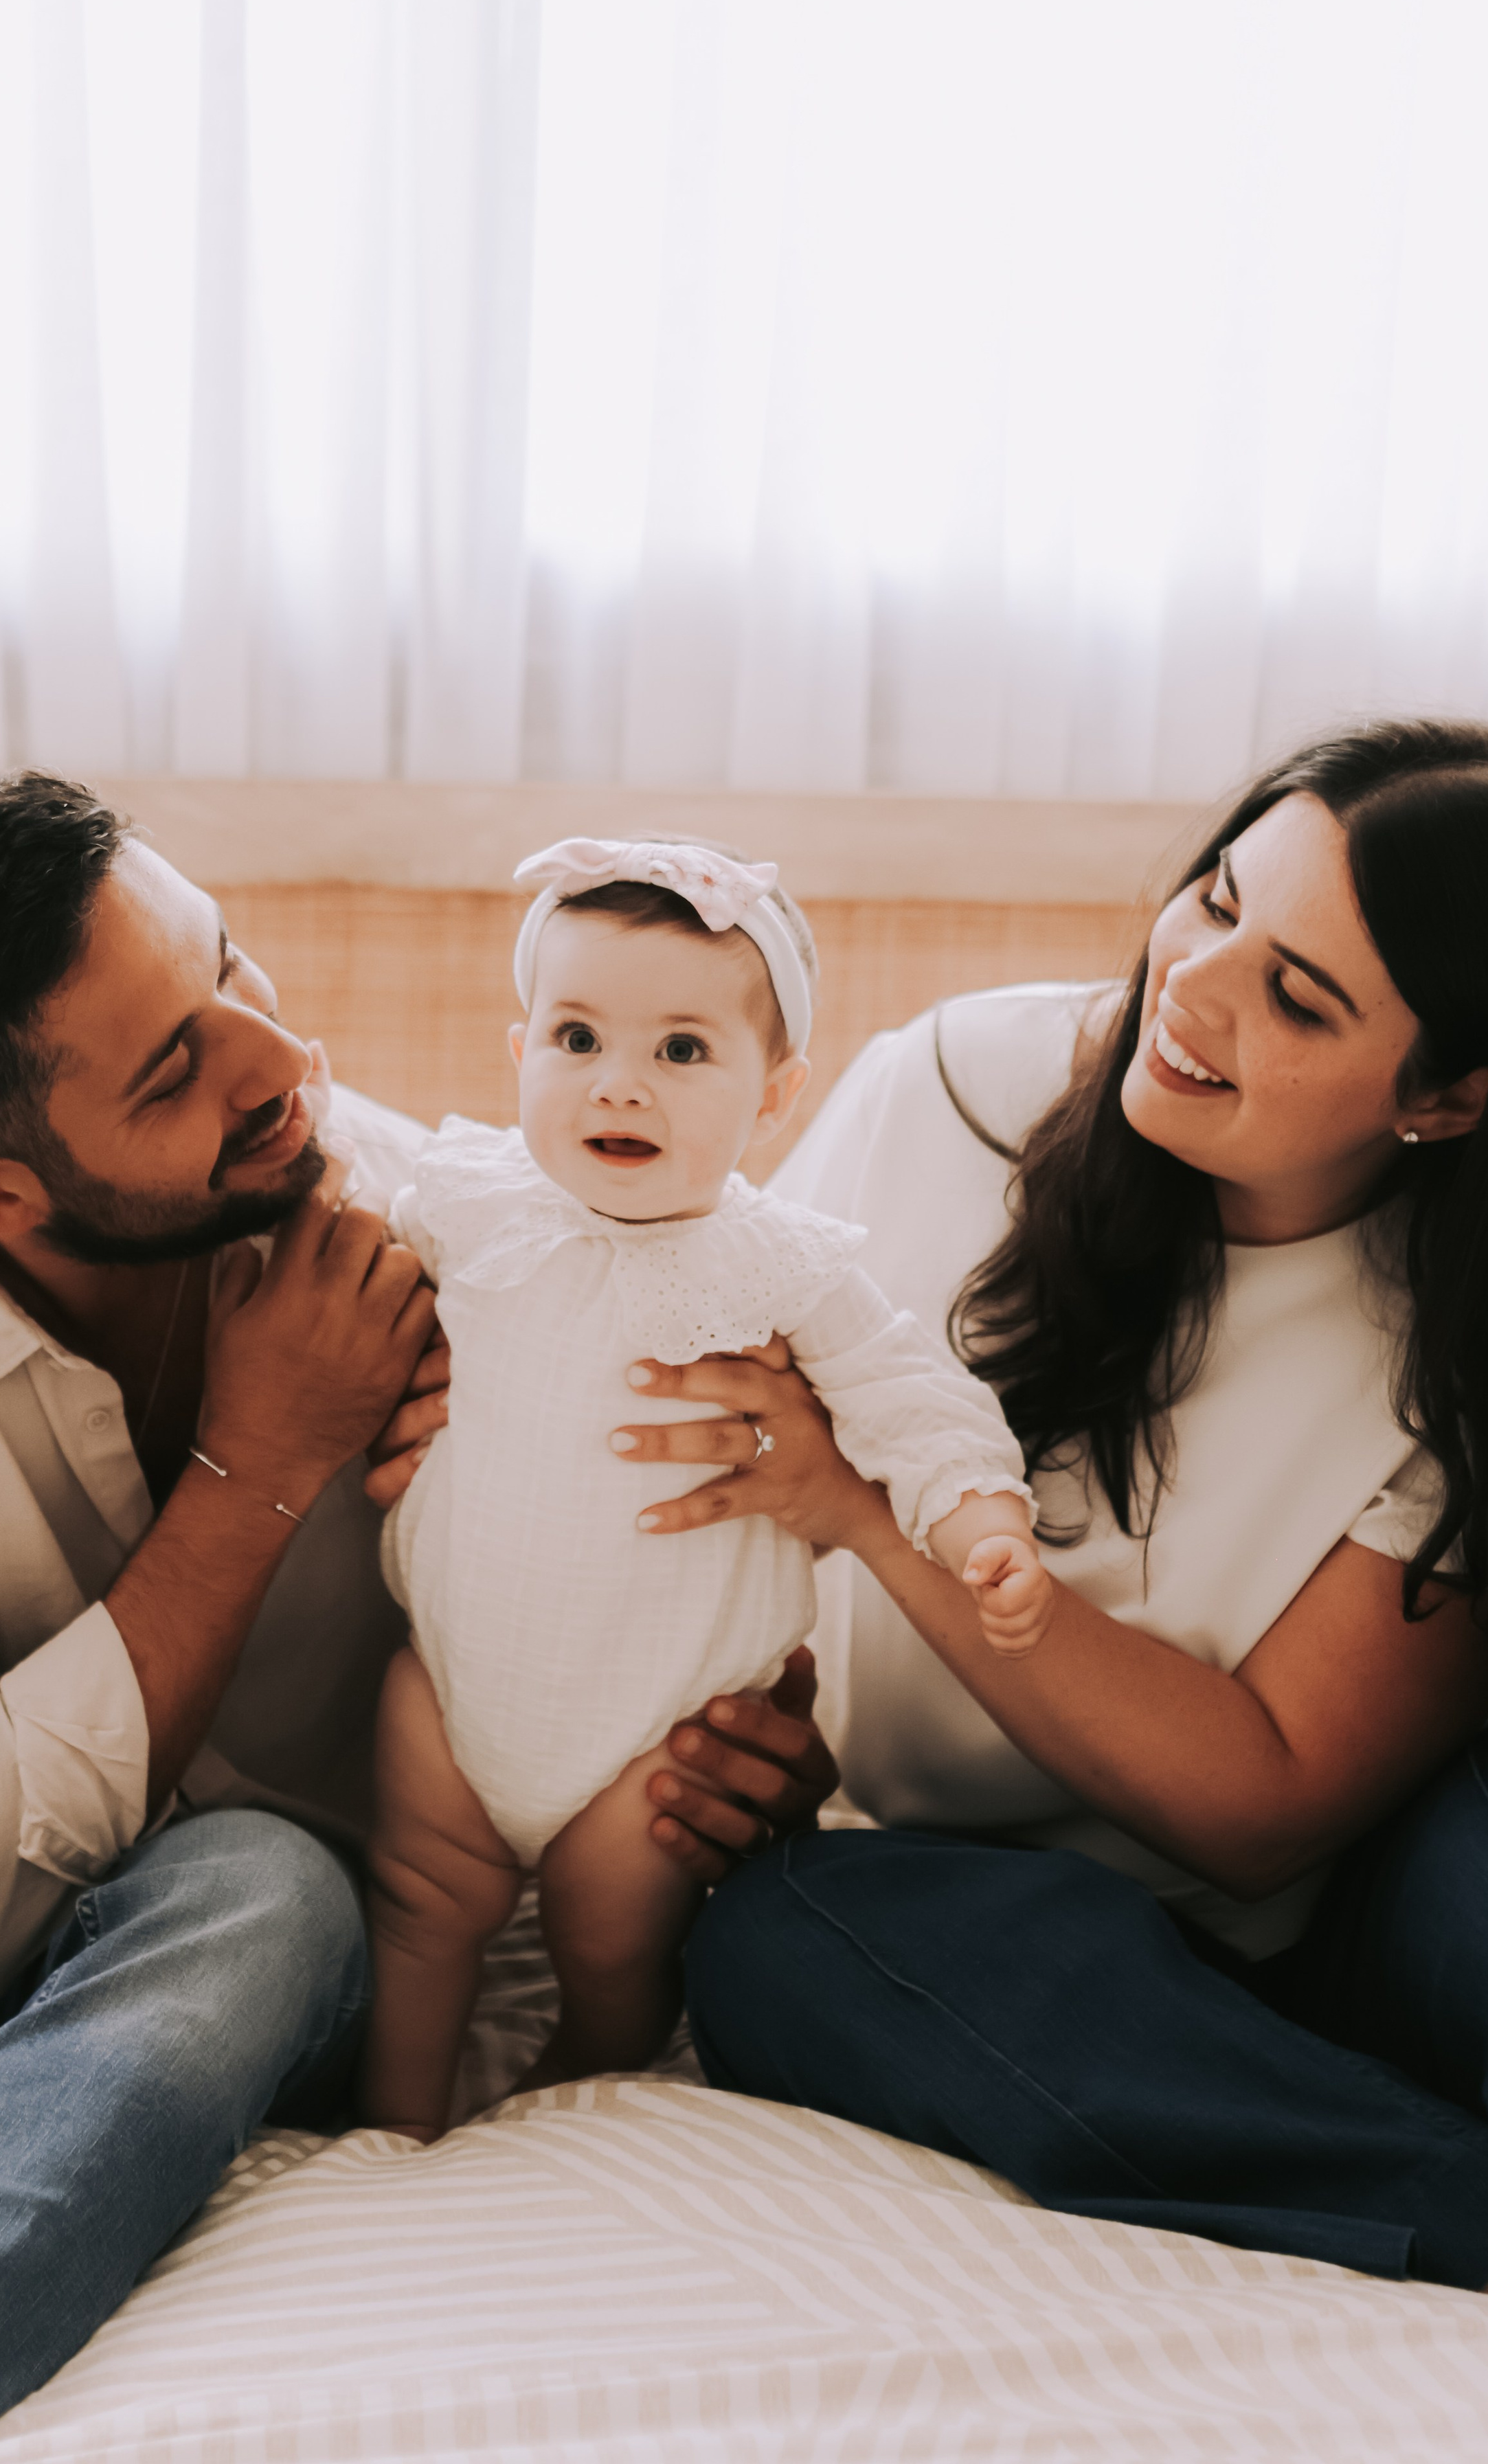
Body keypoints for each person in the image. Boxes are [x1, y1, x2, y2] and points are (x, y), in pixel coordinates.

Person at [0, 773, 837, 2464]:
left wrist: (731, 1714)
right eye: (174, 1068)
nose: (281, 1062)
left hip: (248, 1897)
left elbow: (707, 1530)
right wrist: (260, 1466)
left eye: (229, 966)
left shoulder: (429, 1230)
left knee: (267, 1889)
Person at [607, 718, 1488, 2292]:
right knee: (777, 1939)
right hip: (957, 1896)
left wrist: (878, 1525)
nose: (1195, 990)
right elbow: (690, 1441)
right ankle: (1455, 2208)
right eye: (1219, 902)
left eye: (1297, 996)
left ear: (1443, 1094)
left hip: (1312, 1925)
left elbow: (1259, 1806)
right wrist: (748, 1712)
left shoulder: (1461, 1342)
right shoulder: (956, 1085)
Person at [361, 836, 1046, 2141]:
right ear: (520, 1056)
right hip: (452, 1683)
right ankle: (387, 2128)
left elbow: (912, 1398)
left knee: (612, 1939)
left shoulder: (777, 1265)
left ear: (774, 1097)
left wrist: (983, 1521)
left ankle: (582, 2082)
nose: (620, 1085)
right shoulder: (464, 1203)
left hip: (655, 1731)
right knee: (416, 1906)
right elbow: (343, 1282)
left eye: (682, 1051)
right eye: (576, 1039)